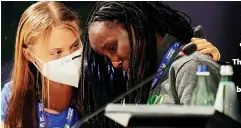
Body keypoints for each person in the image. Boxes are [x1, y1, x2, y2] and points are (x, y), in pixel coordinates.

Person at [81, 1, 221, 127]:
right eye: (106, 57)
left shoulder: (191, 66)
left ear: (135, 25)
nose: (114, 63)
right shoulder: (146, 80)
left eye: (112, 47)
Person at [1, 2, 83, 128]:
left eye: (75, 45)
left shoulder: (99, 86)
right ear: (29, 55)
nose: (70, 57)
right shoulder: (13, 96)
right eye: (57, 52)